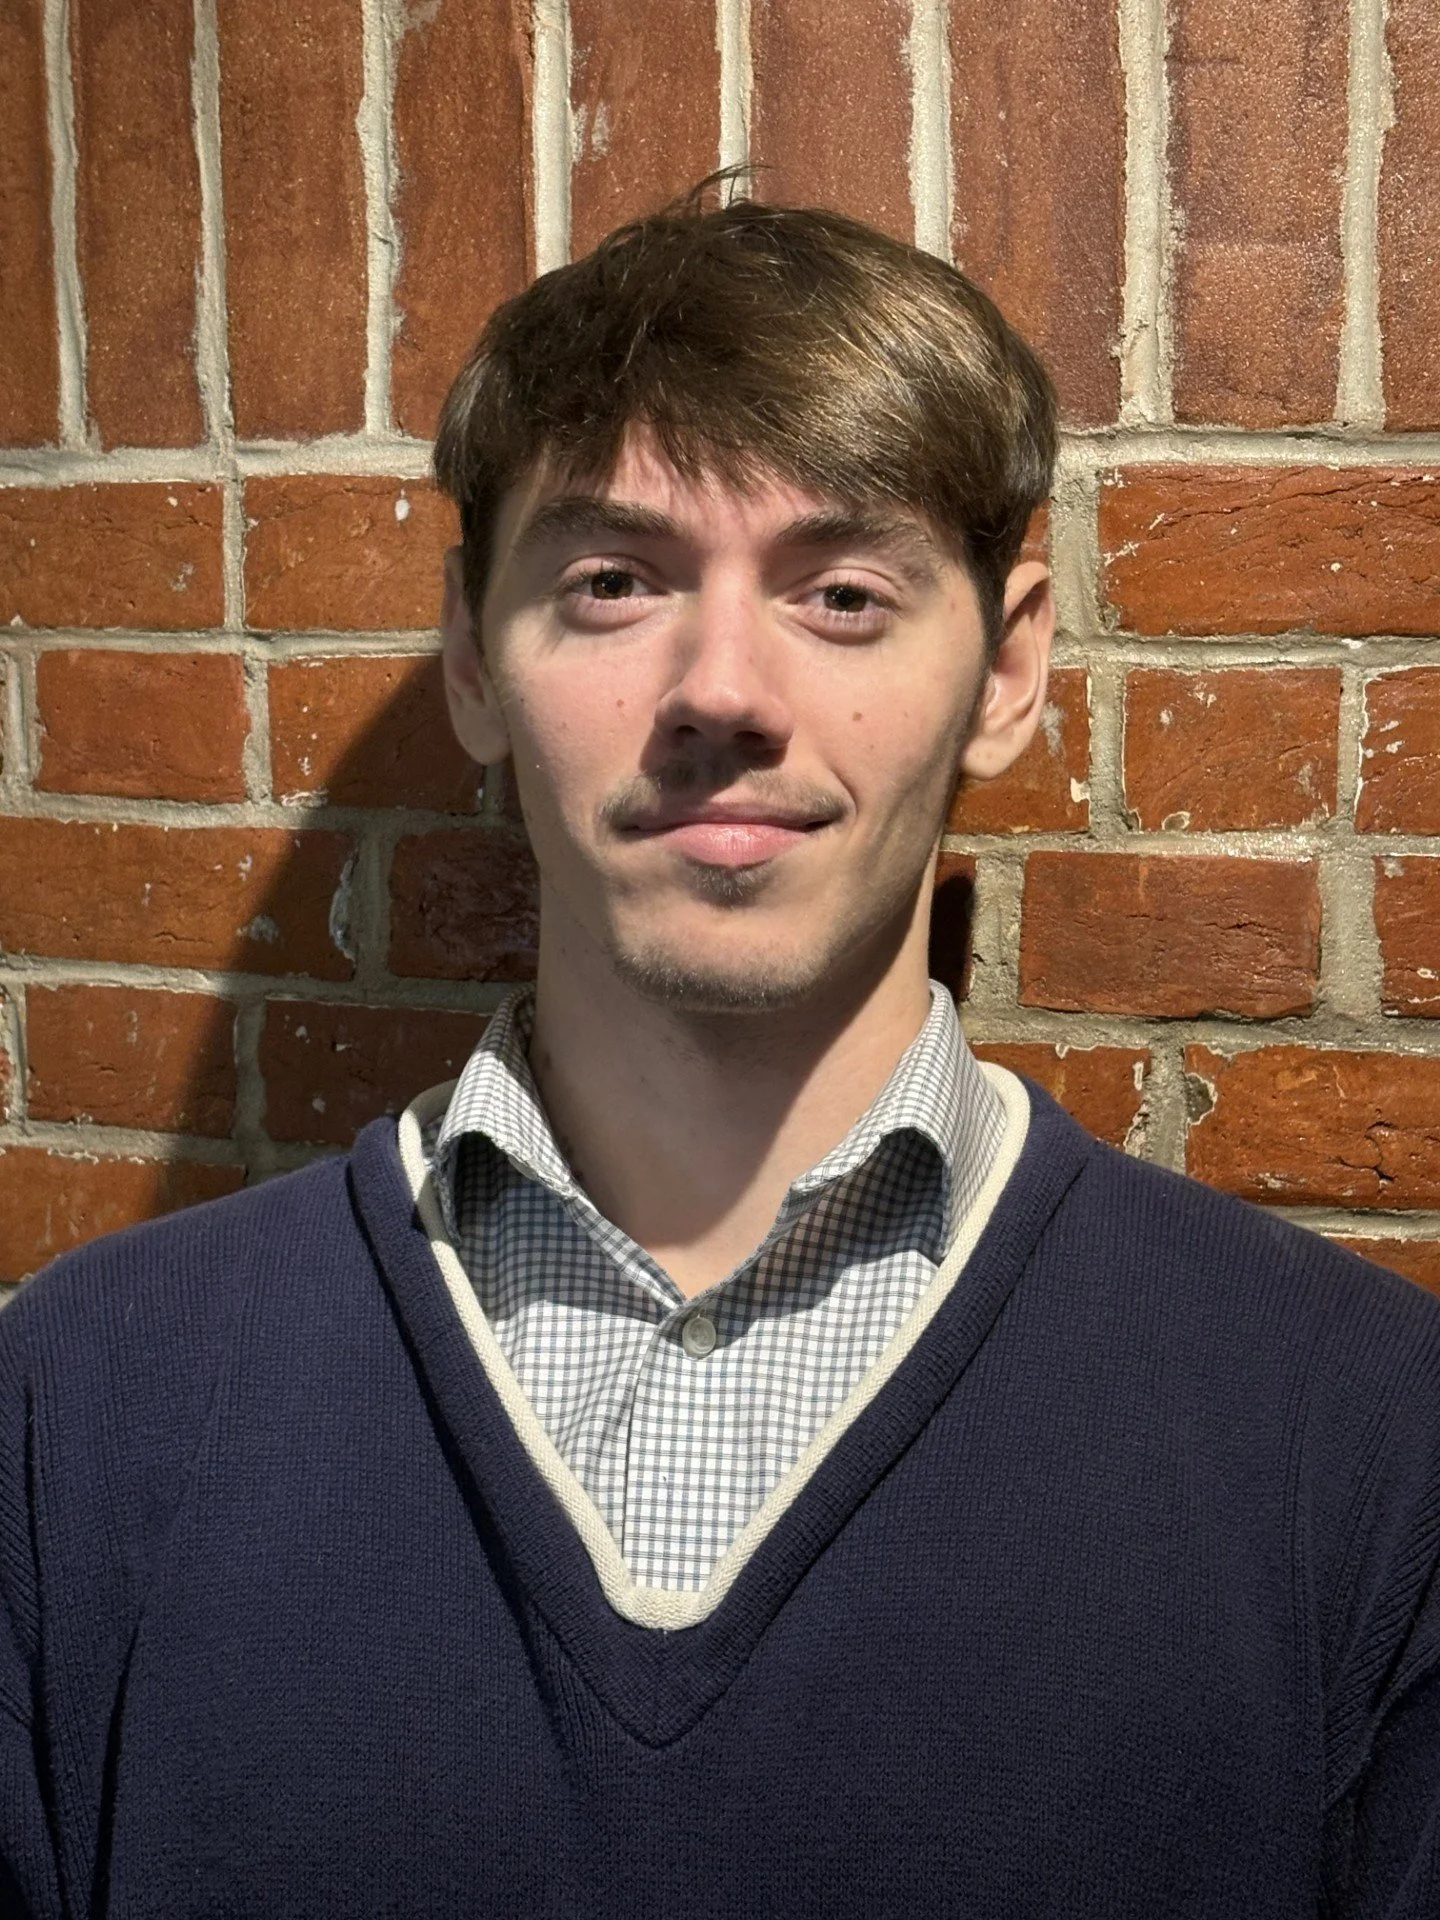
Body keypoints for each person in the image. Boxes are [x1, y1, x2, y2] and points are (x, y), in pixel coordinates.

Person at [1, 181, 1437, 1919]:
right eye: (613, 582)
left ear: (1008, 670)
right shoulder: (84, 1409)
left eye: (843, 593)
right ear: (473, 658)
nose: (726, 691)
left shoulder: (1362, 1443)